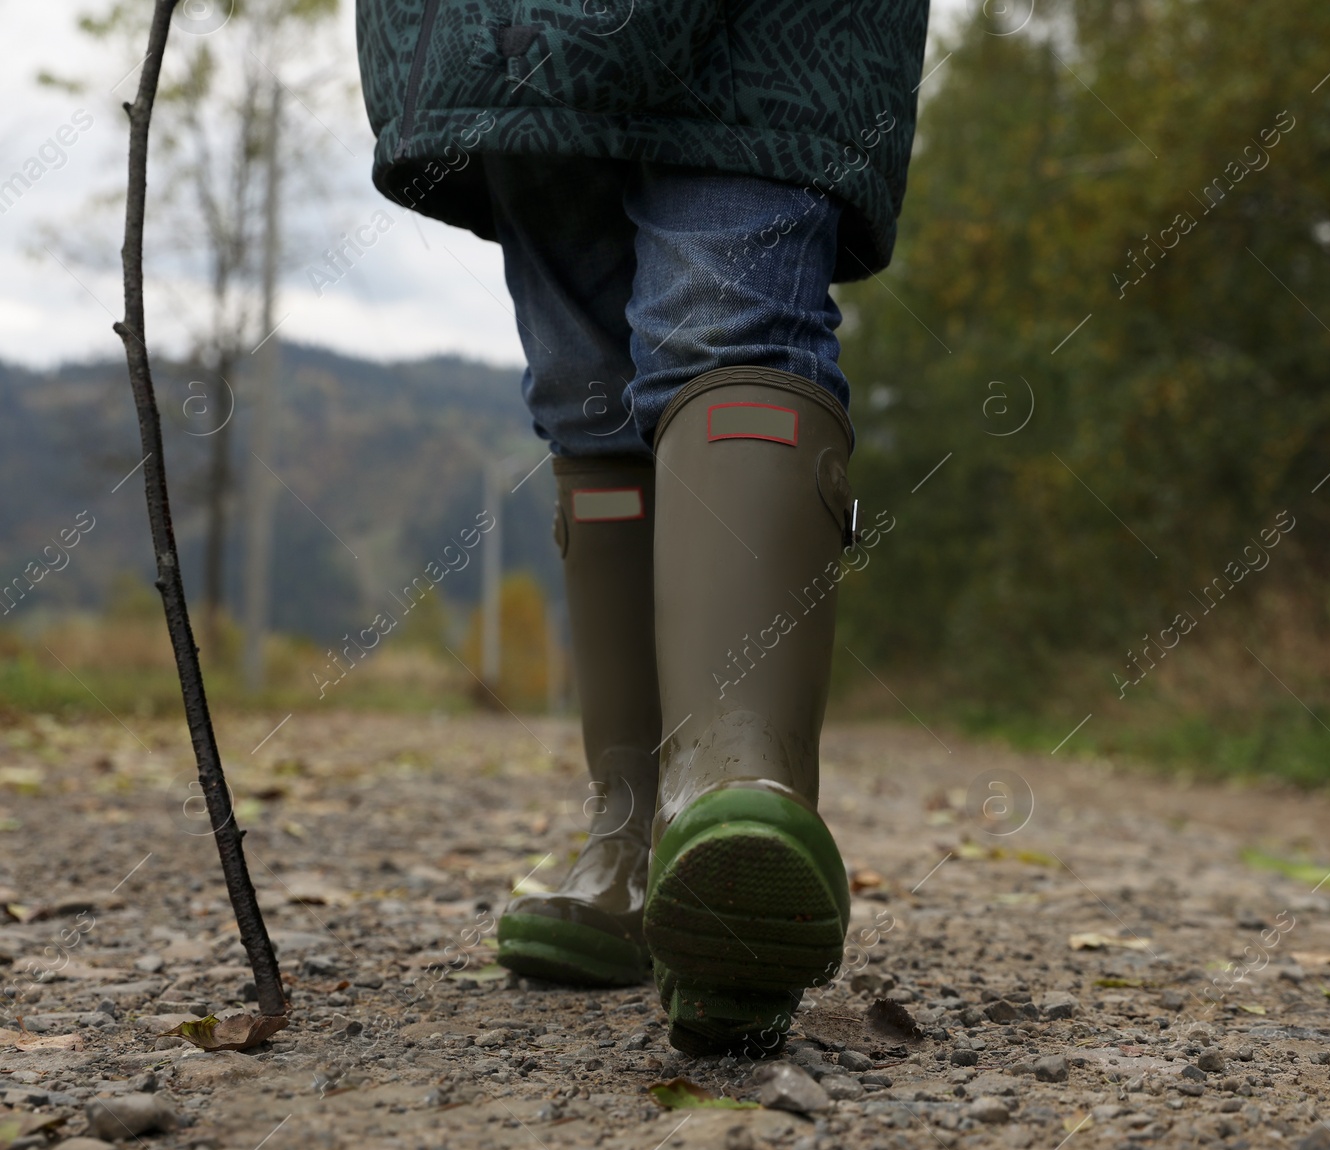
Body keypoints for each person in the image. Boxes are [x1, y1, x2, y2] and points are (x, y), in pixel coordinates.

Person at [356, 0, 930, 1054]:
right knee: (585, 387)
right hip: (506, 38)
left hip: (766, 49)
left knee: (728, 316)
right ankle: (630, 832)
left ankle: (732, 800)